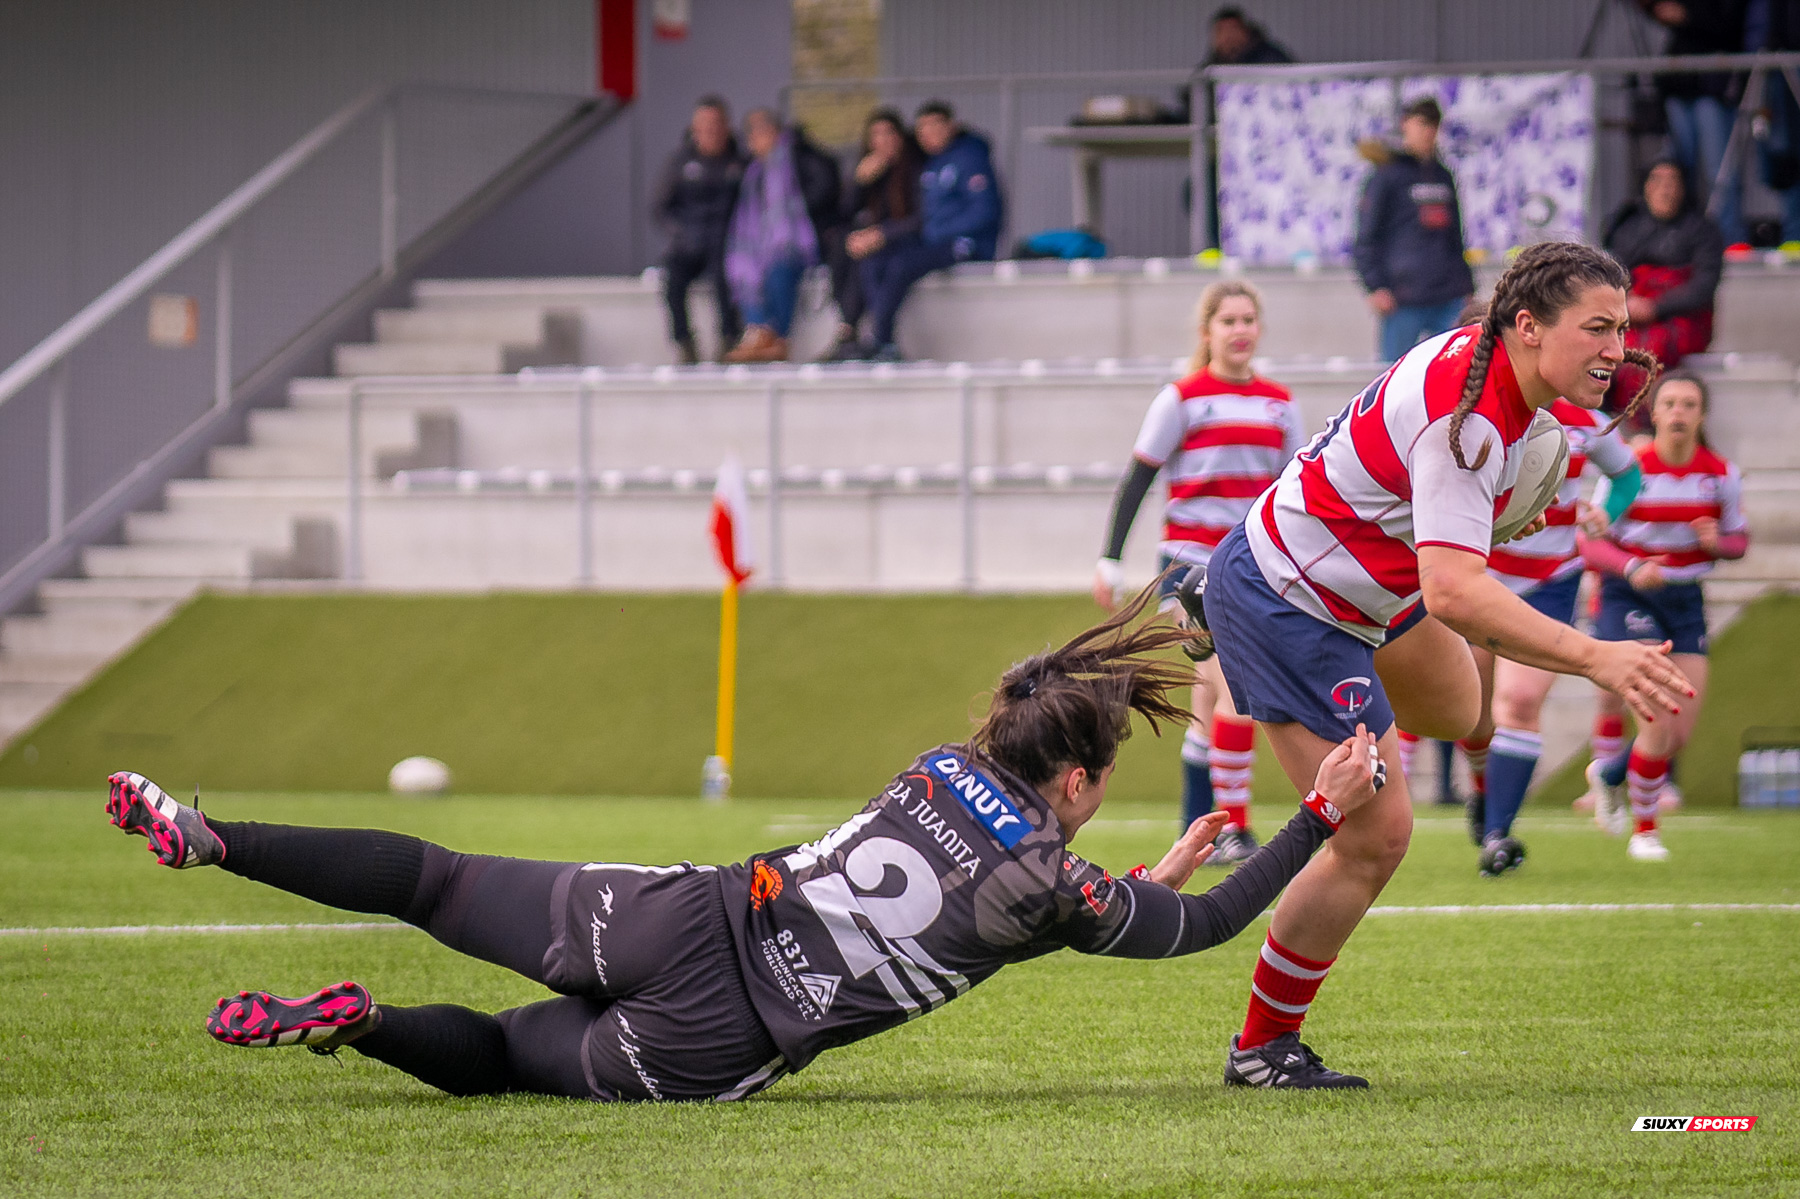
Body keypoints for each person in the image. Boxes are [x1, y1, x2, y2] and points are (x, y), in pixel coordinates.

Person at [101, 587, 1385, 1102]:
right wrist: (1318, 811)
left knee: (433, 876)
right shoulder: (1045, 879)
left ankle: (211, 834)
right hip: (723, 1033)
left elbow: (978, 903)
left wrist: (1120, 883)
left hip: (674, 911)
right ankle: (366, 1020)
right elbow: (1199, 927)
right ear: (1078, 777)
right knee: (497, 1057)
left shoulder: (939, 769)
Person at [1191, 241, 1692, 1087]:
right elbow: (1456, 591)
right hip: (1291, 598)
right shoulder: (1466, 422)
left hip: (1365, 592)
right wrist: (1599, 657)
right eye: (1597, 328)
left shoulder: (1497, 372)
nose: (1617, 348)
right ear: (1528, 327)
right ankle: (1262, 1047)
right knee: (1377, 833)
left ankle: (1216, 603)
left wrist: (1487, 517)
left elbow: (1451, 545)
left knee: (1465, 713)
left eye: (1623, 327)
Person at [1094, 280, 1304, 862]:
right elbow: (1137, 479)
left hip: (1252, 568)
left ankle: (1198, 830)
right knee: (1235, 691)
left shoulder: (1279, 403)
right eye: (1228, 321)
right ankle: (1235, 828)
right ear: (1207, 331)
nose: (1240, 330)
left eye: (1248, 320)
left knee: (1209, 709)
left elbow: (1294, 492)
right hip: (1188, 570)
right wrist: (1110, 561)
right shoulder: (1182, 399)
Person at [1459, 397, 1643, 874]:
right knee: (1469, 715)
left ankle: (1498, 834)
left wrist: (1606, 512)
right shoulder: (1475, 411)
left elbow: (1628, 475)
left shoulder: (1588, 422)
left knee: (1519, 701)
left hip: (1550, 584)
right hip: (1475, 578)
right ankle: (1484, 792)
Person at [1580, 371, 1748, 861]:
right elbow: (1590, 540)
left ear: (1701, 415)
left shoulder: (1720, 475)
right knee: (1653, 713)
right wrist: (1632, 567)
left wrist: (1719, 544)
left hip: (1684, 600)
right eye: (1669, 403)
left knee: (1678, 732)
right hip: (1628, 596)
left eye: (1689, 404)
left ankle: (1609, 775)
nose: (1678, 412)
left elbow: (1740, 540)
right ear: (1653, 413)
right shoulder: (1630, 468)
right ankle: (1645, 832)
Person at [857, 100, 1003, 362]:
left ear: (951, 127)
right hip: (935, 241)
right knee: (877, 260)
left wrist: (939, 231)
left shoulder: (970, 158)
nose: (928, 135)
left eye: (935, 127)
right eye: (923, 130)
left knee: (902, 264)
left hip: (965, 243)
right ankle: (876, 337)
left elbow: (984, 212)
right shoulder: (933, 163)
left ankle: (882, 340)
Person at [1352, 96, 1476, 363]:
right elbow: (1366, 237)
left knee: (1455, 372)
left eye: (1433, 125)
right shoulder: (1386, 176)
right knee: (1393, 377)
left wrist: (1466, 285)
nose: (1427, 132)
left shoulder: (1443, 175)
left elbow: (1456, 237)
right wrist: (1375, 286)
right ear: (1405, 125)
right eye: (1421, 124)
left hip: (1447, 296)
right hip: (1402, 298)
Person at [721, 109, 839, 365]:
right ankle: (759, 333)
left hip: (798, 240)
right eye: (752, 134)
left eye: (762, 132)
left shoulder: (799, 157)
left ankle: (776, 336)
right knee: (745, 267)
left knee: (779, 267)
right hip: (758, 244)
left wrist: (798, 213)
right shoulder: (750, 172)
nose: (756, 139)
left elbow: (824, 188)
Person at [1603, 159, 1725, 400]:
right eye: (1657, 181)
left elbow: (1703, 286)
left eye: (1672, 182)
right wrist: (1626, 304)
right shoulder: (1626, 228)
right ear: (1646, 186)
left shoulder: (1703, 231)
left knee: (1652, 349)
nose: (1665, 189)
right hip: (1629, 313)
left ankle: (1648, 415)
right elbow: (1608, 276)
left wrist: (1655, 307)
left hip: (1681, 317)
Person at [1641, 0, 1751, 245]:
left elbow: (1733, 24)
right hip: (1679, 83)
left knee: (1720, 171)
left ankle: (1729, 240)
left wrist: (1688, 16)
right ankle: (1680, 240)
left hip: (1714, 85)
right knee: (1677, 170)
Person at [821, 109, 925, 362]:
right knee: (844, 243)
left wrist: (882, 234)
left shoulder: (916, 168)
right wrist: (859, 182)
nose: (884, 141)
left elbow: (921, 218)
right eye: (876, 135)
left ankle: (866, 334)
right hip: (878, 238)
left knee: (870, 256)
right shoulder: (870, 170)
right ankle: (847, 326)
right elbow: (844, 213)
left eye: (889, 133)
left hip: (906, 239)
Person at [653, 96, 745, 366]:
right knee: (672, 279)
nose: (710, 131)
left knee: (727, 276)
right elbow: (660, 207)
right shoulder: (680, 162)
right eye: (704, 125)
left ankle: (729, 340)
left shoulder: (739, 161)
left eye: (716, 124)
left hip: (727, 243)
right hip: (689, 243)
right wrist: (681, 233)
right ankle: (684, 343)